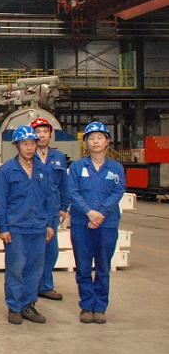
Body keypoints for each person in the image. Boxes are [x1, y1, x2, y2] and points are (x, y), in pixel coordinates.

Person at [0, 125, 58, 325]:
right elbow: (1, 201)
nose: (29, 148)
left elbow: (50, 199)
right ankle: (14, 307)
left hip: (38, 228)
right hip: (16, 228)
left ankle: (28, 305)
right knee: (15, 269)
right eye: (25, 144)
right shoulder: (7, 170)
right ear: (16, 146)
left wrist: (50, 224)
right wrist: (3, 227)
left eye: (32, 143)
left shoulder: (43, 170)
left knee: (34, 270)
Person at [68, 121, 126, 324]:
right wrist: (89, 213)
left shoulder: (116, 168)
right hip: (81, 224)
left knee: (103, 267)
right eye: (91, 138)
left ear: (107, 141)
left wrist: (100, 214)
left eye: (99, 138)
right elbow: (73, 192)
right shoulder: (77, 167)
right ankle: (86, 306)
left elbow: (118, 192)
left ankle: (100, 307)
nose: (95, 141)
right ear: (86, 142)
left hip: (107, 224)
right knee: (83, 266)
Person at [30, 117, 70, 301]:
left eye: (45, 131)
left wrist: (64, 206)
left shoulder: (58, 157)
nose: (42, 135)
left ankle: (45, 285)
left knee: (51, 250)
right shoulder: (28, 156)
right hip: (32, 211)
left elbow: (63, 184)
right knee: (34, 251)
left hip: (52, 211)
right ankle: (31, 286)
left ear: (50, 134)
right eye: (38, 132)